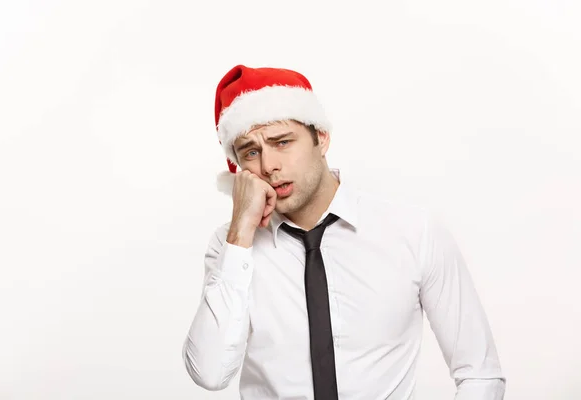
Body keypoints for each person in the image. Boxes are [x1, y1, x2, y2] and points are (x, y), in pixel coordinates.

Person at [182, 64, 506, 399]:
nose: (268, 166)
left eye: (282, 142)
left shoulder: (414, 233)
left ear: (321, 138)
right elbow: (208, 372)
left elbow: (479, 374)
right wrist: (240, 235)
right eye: (251, 151)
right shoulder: (231, 245)